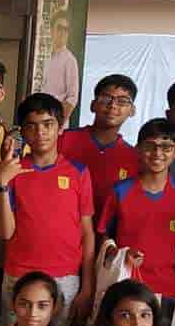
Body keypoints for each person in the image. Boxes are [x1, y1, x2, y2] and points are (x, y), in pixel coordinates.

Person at [0, 92, 95, 326]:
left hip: (66, 276)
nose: (40, 132)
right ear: (22, 131)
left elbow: (87, 232)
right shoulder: (13, 171)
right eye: (32, 126)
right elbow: (5, 232)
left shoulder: (78, 172)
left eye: (48, 124)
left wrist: (88, 286)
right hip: (19, 272)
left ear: (60, 127)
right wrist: (1, 184)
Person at [97, 117, 175, 302]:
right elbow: (104, 239)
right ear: (138, 149)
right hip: (124, 286)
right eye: (150, 146)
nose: (157, 153)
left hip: (167, 289)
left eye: (166, 147)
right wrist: (119, 255)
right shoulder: (120, 190)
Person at [58, 74, 139, 219]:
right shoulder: (63, 140)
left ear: (132, 110)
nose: (113, 105)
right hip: (63, 224)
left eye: (122, 101)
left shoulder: (133, 157)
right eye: (106, 98)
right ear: (93, 105)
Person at [40, 14, 80, 126]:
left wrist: (58, 125)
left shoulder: (69, 60)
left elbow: (72, 98)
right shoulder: (45, 57)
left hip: (54, 122)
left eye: (66, 29)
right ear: (51, 30)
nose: (63, 33)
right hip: (38, 118)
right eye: (59, 28)